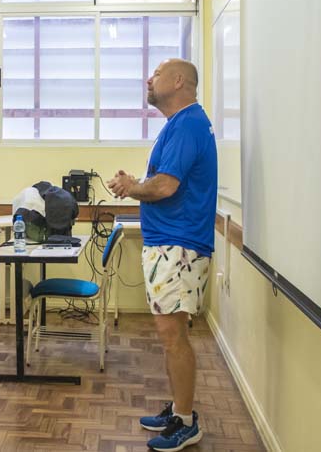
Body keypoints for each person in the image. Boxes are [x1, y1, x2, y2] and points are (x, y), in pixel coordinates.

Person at [107, 58, 216, 452]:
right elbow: (165, 182)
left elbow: (166, 187)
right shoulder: (179, 124)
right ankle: (179, 413)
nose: (148, 80)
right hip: (170, 243)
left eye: (156, 74)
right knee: (171, 336)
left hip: (178, 245)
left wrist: (131, 188)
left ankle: (187, 422)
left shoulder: (187, 124)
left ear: (179, 80)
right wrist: (136, 183)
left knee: (174, 337)